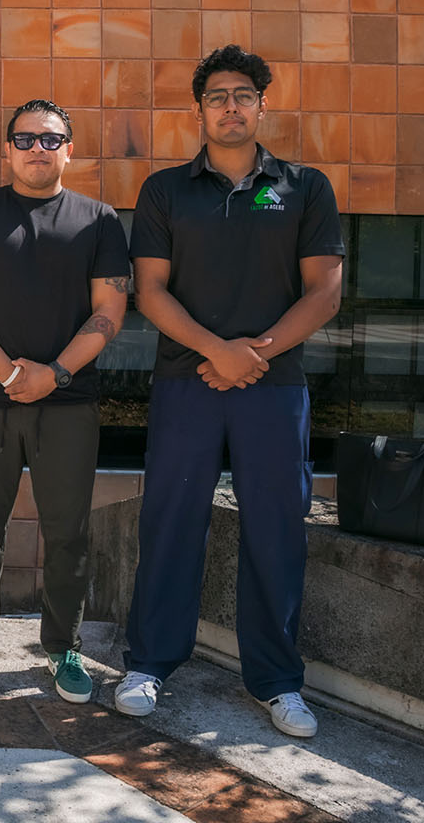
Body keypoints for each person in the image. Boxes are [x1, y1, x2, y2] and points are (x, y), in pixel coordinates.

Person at [114, 45, 345, 739]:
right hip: (189, 384)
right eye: (217, 96)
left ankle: (278, 682)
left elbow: (325, 292)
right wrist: (218, 352)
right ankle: (149, 665)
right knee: (170, 523)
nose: (231, 106)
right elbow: (149, 291)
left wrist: (255, 355)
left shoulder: (305, 186)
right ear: (201, 109)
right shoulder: (165, 190)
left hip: (274, 390)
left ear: (263, 105)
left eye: (244, 94)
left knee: (277, 531)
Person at [0, 99, 130, 701]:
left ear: (70, 148)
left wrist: (55, 374)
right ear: (8, 149)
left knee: (67, 531)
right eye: (25, 140)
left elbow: (110, 310)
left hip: (67, 403)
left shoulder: (99, 220)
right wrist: (6, 372)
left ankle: (64, 646)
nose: (37, 150)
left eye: (50, 140)